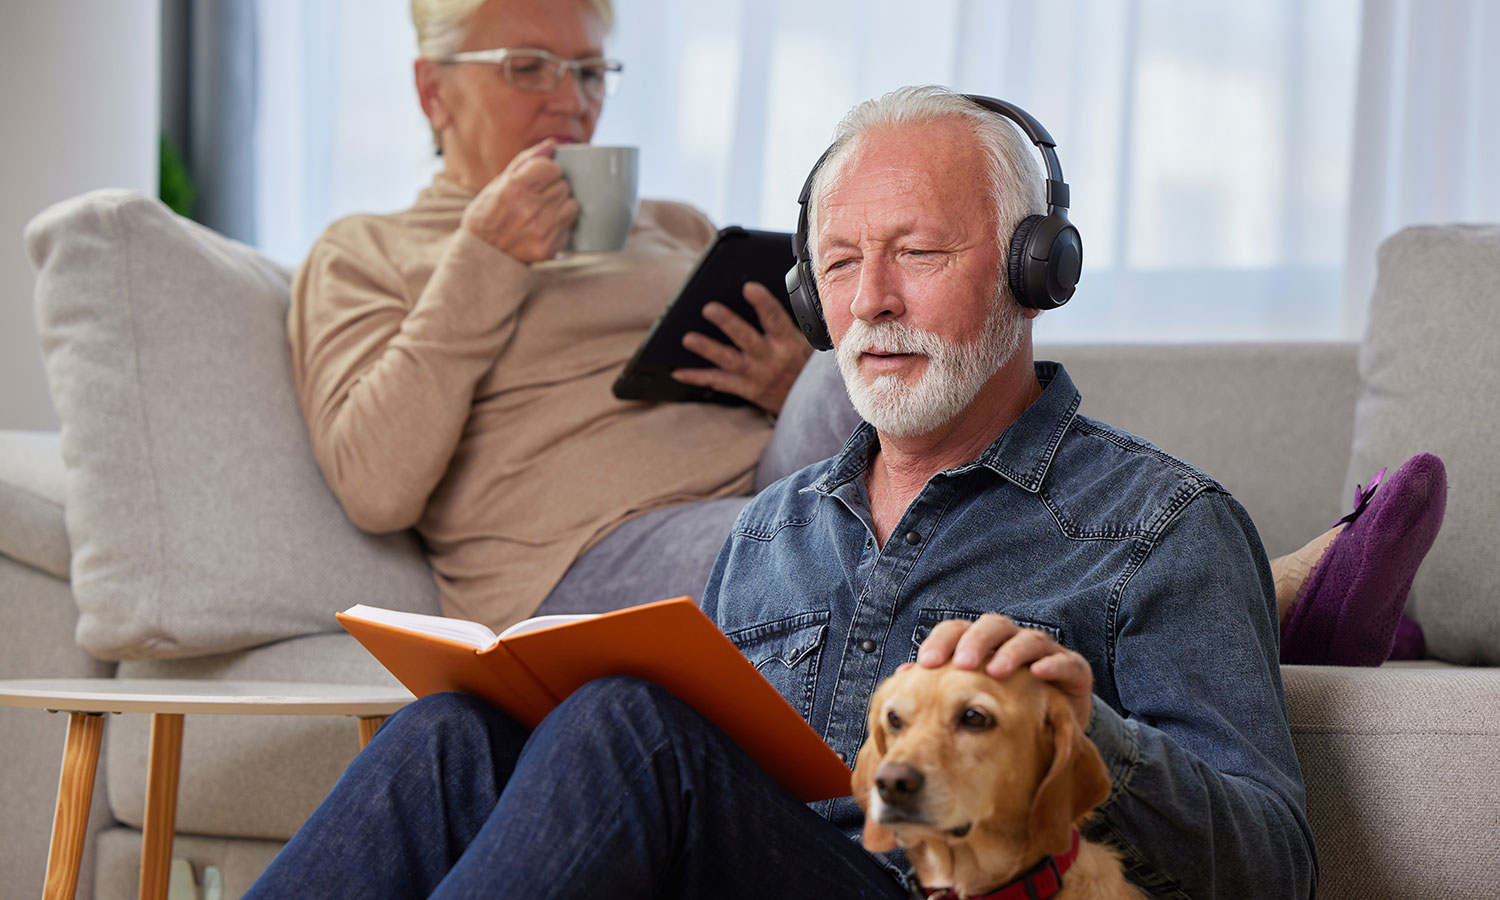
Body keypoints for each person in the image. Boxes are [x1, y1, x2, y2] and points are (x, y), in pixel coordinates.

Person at [246, 86, 1331, 899]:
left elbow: (1275, 866)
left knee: (636, 726)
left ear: (1032, 267)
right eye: (844, 264)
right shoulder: (772, 529)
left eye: (918, 251)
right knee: (456, 730)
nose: (875, 302)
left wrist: (1083, 728)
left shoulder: (1161, 526)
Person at [288, 0, 813, 632]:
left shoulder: (674, 223)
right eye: (529, 66)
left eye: (590, 71)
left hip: (771, 484)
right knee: (818, 545)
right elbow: (375, 487)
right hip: (581, 551)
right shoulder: (366, 249)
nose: (572, 101)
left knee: (885, 352)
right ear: (433, 90)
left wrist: (795, 384)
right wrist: (485, 258)